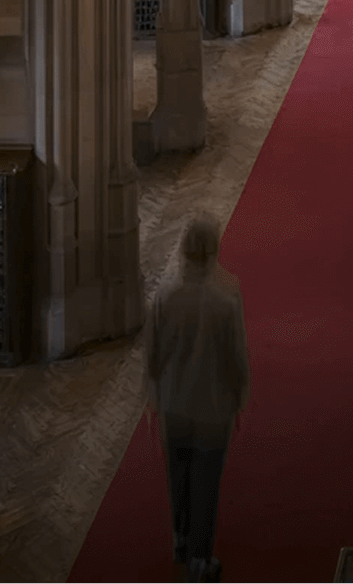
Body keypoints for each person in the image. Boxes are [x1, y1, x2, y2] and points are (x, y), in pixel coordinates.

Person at [145, 214, 250, 583]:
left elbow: (153, 352)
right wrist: (239, 396)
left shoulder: (166, 294)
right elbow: (236, 356)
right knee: (206, 483)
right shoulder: (225, 297)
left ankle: (180, 537)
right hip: (211, 406)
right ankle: (199, 558)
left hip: (173, 401)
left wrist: (153, 396)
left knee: (179, 473)